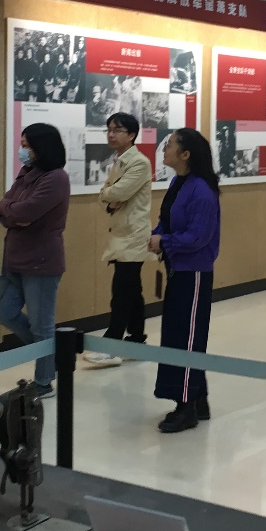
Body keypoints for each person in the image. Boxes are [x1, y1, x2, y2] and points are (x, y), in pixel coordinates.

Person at [148, 128, 221, 434]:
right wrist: (158, 235)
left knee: (188, 339)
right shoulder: (178, 182)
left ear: (185, 154)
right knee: (177, 334)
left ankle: (186, 407)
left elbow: (198, 236)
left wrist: (165, 242)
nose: (164, 149)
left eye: (169, 145)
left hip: (194, 273)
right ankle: (198, 399)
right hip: (178, 269)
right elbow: (166, 219)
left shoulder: (202, 190)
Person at [0, 123, 71, 398]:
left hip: (41, 261)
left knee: (41, 325)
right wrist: (10, 211)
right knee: (3, 312)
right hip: (14, 258)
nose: (22, 150)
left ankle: (44, 381)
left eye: (26, 145)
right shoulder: (26, 173)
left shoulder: (56, 178)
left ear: (41, 147)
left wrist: (9, 210)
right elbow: (6, 209)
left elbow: (25, 212)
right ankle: (50, 353)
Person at [85, 113, 153, 369]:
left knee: (122, 292)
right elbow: (106, 194)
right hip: (122, 234)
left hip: (133, 236)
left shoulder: (140, 162)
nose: (111, 134)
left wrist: (109, 195)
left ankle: (112, 345)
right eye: (109, 130)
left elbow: (118, 192)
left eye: (117, 130)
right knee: (132, 290)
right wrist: (109, 196)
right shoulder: (119, 161)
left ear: (132, 135)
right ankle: (136, 341)